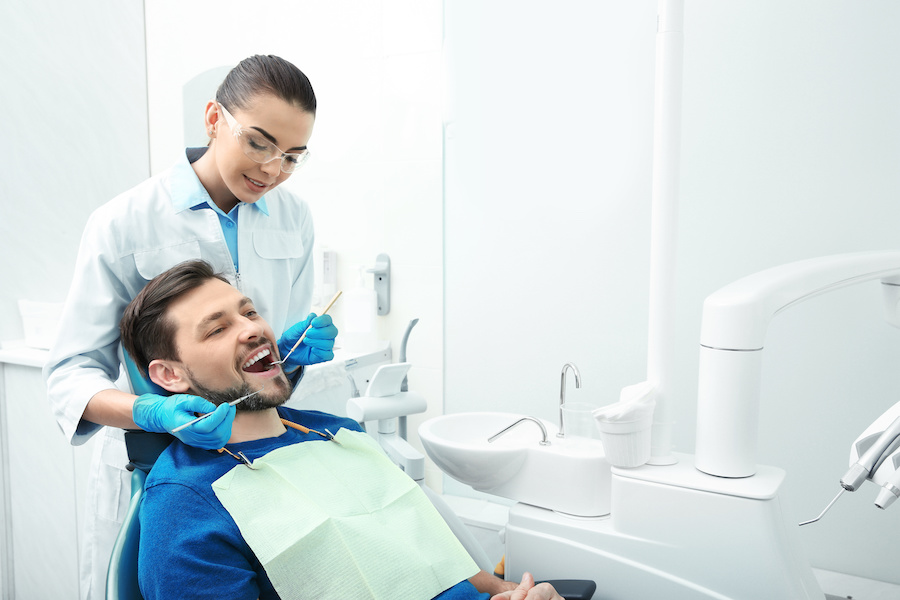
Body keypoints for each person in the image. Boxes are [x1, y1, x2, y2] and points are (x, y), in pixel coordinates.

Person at [42, 55, 337, 599]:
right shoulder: (125, 220)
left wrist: (291, 354)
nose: (272, 169)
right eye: (259, 143)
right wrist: (151, 410)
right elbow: (69, 373)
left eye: (293, 156)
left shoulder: (294, 217)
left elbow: (270, 357)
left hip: (255, 458)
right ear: (212, 119)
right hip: (158, 465)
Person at [121, 260, 563, 600]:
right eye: (218, 329)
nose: (253, 330)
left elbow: (455, 570)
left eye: (250, 312)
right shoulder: (185, 503)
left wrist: (511, 592)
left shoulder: (339, 434)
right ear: (170, 376)